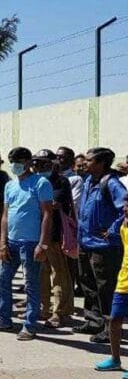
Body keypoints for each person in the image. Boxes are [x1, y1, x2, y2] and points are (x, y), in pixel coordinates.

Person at [0, 147, 52, 341]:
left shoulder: (40, 183)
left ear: (29, 162)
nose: (15, 165)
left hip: (31, 243)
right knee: (2, 279)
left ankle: (30, 325)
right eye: (12, 161)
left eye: (19, 161)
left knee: (31, 284)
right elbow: (6, 215)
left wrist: (43, 244)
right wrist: (2, 242)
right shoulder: (10, 186)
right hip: (11, 242)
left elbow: (48, 213)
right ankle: (4, 319)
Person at [76, 147, 127, 344]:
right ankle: (93, 320)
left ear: (101, 164)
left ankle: (110, 328)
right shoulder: (89, 181)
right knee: (87, 284)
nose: (84, 163)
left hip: (103, 247)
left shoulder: (112, 184)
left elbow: (125, 210)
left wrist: (113, 231)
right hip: (85, 242)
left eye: (89, 161)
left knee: (105, 287)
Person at [34, 149, 75, 329]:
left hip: (54, 234)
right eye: (37, 163)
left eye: (43, 163)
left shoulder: (60, 181)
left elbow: (52, 204)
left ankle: (59, 311)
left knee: (58, 273)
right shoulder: (35, 181)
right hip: (36, 234)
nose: (39, 166)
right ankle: (44, 308)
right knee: (41, 273)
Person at [93, 198, 128, 372]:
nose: (126, 208)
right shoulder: (123, 222)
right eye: (126, 205)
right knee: (114, 319)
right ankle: (115, 359)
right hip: (124, 280)